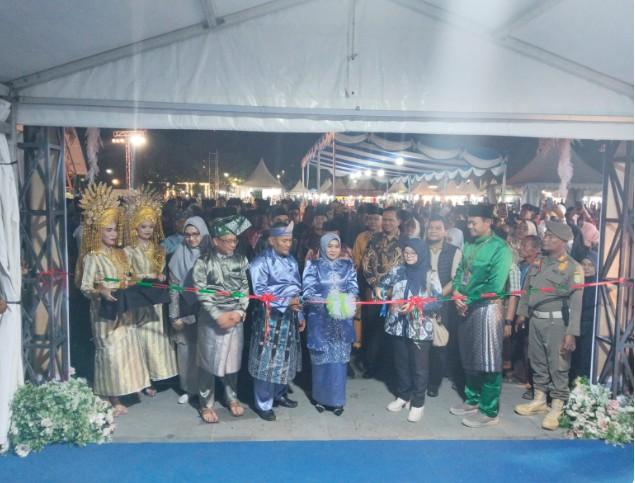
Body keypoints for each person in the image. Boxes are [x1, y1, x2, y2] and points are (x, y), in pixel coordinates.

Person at [77, 183, 149, 416]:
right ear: (97, 231)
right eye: (108, 230)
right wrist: (100, 291)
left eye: (115, 229)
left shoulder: (121, 253)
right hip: (104, 313)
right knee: (109, 352)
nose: (113, 234)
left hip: (124, 309)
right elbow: (85, 287)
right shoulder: (92, 257)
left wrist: (137, 280)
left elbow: (129, 275)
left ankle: (124, 389)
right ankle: (111, 396)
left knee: (126, 350)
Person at [514, 221, 584, 430]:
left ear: (563, 241)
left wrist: (571, 332)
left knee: (558, 364)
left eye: (551, 236)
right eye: (546, 235)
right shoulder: (539, 262)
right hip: (536, 320)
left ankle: (557, 405)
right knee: (537, 361)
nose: (545, 239)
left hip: (557, 322)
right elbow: (527, 289)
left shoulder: (573, 267)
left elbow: (577, 303)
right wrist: (522, 313)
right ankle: (539, 400)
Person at [450, 204, 512, 428]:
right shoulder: (469, 244)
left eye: (473, 222)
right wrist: (456, 293)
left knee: (488, 360)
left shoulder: (500, 248)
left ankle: (489, 410)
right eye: (468, 222)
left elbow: (495, 286)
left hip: (487, 309)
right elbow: (460, 273)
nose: (469, 226)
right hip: (466, 307)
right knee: (469, 357)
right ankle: (473, 399)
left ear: (488, 223)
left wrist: (466, 299)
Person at [193, 215, 251, 423]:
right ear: (216, 241)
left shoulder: (241, 260)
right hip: (212, 320)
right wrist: (218, 315)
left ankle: (231, 397)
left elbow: (245, 288)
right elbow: (201, 291)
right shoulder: (203, 262)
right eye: (228, 241)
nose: (233, 245)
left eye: (235, 240)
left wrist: (239, 312)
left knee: (232, 362)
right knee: (208, 363)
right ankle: (205, 404)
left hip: (235, 318)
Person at [379, 239, 442, 422]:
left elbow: (438, 302)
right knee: (401, 363)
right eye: (406, 253)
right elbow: (382, 284)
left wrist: (418, 306)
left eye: (413, 253)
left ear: (421, 253)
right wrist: (380, 291)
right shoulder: (398, 271)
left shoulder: (430, 275)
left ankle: (418, 403)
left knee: (419, 367)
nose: (409, 256)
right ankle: (403, 396)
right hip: (397, 325)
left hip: (419, 327)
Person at [248, 221, 305, 421]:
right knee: (267, 360)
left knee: (285, 357)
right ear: (272, 241)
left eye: (290, 240)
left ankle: (279, 394)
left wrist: (299, 314)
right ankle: (263, 403)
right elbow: (260, 292)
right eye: (284, 240)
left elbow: (297, 289)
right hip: (269, 319)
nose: (288, 244)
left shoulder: (292, 261)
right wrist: (286, 302)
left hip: (289, 318)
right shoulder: (260, 262)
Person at [124, 187, 178, 397]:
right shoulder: (128, 250)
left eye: (151, 226)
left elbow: (161, 270)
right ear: (135, 226)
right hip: (138, 299)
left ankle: (158, 375)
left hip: (156, 300)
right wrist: (147, 276)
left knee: (157, 337)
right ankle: (144, 379)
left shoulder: (158, 249)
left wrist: (160, 275)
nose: (147, 230)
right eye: (143, 226)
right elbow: (127, 276)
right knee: (141, 339)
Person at [302, 233, 358, 415]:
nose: (333, 250)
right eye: (329, 246)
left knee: (339, 361)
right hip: (320, 320)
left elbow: (353, 288)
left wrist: (347, 299)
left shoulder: (347, 265)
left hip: (341, 320)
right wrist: (326, 301)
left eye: (336, 246)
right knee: (321, 360)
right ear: (322, 247)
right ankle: (320, 398)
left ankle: (337, 401)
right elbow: (307, 292)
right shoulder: (313, 266)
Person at [168, 216, 210, 405]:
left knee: (207, 349)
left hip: (207, 310)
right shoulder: (179, 254)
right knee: (186, 351)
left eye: (196, 234)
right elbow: (174, 289)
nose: (192, 239)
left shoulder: (211, 254)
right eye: (187, 235)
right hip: (185, 308)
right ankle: (188, 388)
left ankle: (208, 388)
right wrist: (174, 316)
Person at [361, 207, 403, 379]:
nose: (387, 223)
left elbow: (406, 268)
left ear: (399, 222)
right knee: (373, 330)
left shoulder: (404, 242)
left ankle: (390, 369)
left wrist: (394, 290)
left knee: (393, 331)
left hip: (396, 294)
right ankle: (371, 366)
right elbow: (366, 265)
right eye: (384, 219)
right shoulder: (374, 240)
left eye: (391, 220)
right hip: (375, 293)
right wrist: (376, 286)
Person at [425, 214, 462, 397]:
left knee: (439, 345)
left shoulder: (454, 251)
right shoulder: (420, 248)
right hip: (420, 303)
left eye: (438, 228)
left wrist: (438, 297)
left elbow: (456, 279)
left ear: (445, 231)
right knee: (420, 344)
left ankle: (434, 383)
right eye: (430, 227)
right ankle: (421, 380)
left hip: (443, 305)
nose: (433, 231)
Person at [570, 251, 598, 381]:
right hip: (575, 325)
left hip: (590, 328)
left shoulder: (598, 286)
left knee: (585, 357)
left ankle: (582, 385)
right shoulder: (576, 281)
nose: (586, 268)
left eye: (590, 265)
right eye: (583, 264)